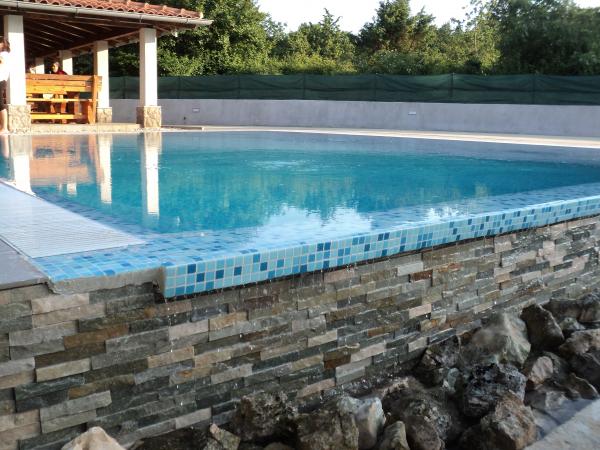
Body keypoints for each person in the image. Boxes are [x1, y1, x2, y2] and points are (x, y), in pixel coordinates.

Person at [0, 37, 11, 133]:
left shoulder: (4, 54)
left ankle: (4, 128)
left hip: (1, 80)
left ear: (3, 44)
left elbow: (1, 61)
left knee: (0, 104)